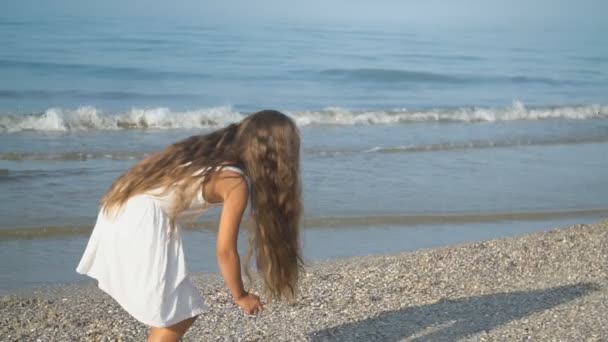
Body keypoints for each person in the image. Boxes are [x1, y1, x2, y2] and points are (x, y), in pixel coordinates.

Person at [76, 110, 303, 342]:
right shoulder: (235, 183)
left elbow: (145, 167)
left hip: (119, 205)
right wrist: (241, 295)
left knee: (173, 311)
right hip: (140, 219)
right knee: (179, 314)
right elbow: (225, 250)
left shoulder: (201, 152)